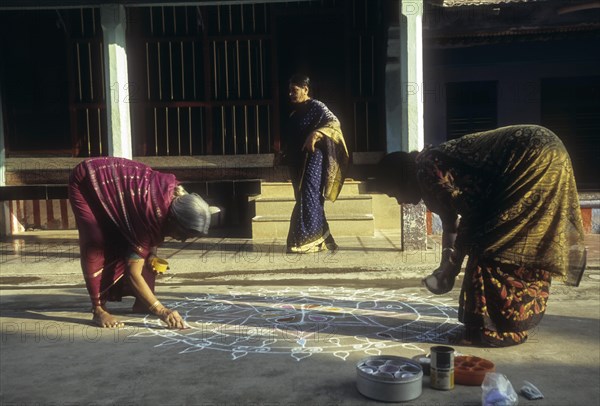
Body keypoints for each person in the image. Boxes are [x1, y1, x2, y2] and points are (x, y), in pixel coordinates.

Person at [375, 125, 587, 346]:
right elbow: (451, 223)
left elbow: (471, 220)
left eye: (394, 193)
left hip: (530, 156)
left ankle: (493, 331)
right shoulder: (428, 164)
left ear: (402, 180)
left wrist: (451, 268)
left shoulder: (426, 172)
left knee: (490, 246)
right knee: (524, 240)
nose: (399, 201)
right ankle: (506, 326)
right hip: (549, 150)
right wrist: (445, 267)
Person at [68, 157, 216, 329]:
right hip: (88, 180)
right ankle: (98, 309)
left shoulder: (178, 198)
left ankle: (142, 300)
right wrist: (161, 310)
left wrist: (151, 254)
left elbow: (150, 238)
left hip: (118, 191)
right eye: (183, 234)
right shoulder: (151, 214)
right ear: (173, 220)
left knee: (144, 254)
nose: (182, 240)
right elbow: (133, 272)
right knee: (96, 243)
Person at [280, 74, 349, 253]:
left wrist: (316, 134)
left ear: (306, 89)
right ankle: (323, 239)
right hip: (297, 162)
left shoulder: (317, 107)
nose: (290, 94)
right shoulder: (294, 113)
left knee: (308, 196)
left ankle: (304, 241)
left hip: (314, 159)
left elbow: (334, 123)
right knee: (304, 196)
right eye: (289, 91)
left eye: (294, 90)